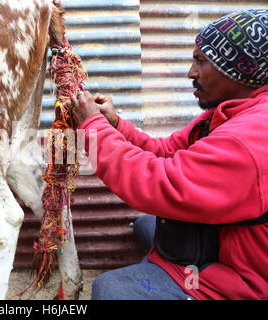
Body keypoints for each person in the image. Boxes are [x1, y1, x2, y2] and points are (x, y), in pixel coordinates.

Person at [70, 9, 268, 300]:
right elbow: (167, 151)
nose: (191, 72)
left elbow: (156, 182)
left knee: (112, 289)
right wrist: (115, 125)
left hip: (244, 279)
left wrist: (93, 128)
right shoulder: (230, 114)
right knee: (148, 224)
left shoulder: (246, 139)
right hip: (224, 243)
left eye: (202, 61)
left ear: (239, 70)